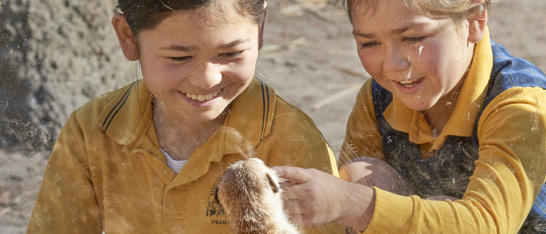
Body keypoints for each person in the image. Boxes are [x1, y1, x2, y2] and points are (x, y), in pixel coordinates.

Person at [27, 0, 343, 233]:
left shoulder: (291, 136)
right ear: (127, 37)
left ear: (260, 27)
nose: (206, 79)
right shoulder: (91, 130)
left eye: (231, 53)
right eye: (179, 57)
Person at [277, 0, 546, 233]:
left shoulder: (524, 105)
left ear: (475, 20)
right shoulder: (378, 98)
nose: (394, 64)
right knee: (360, 174)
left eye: (412, 38)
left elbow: (487, 224)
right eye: (369, 43)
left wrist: (347, 202)